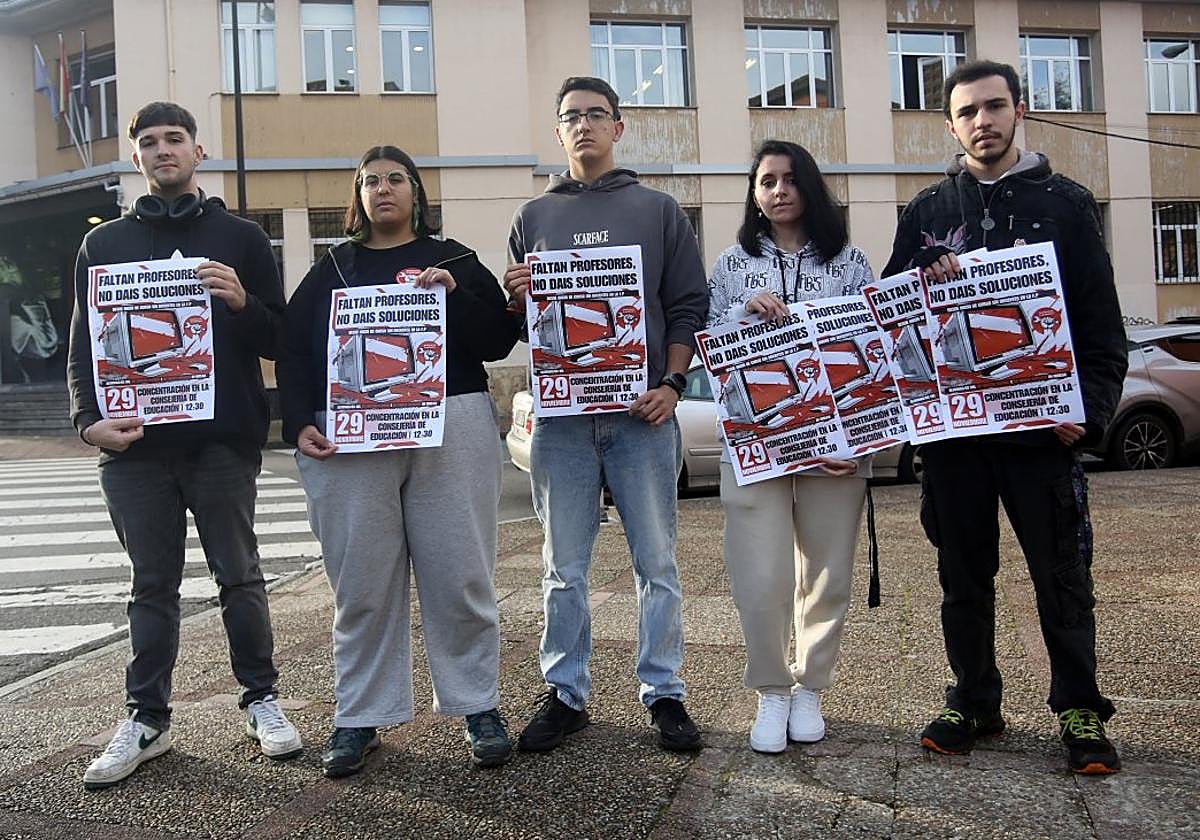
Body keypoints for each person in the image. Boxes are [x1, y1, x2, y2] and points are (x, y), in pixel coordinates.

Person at [882, 60, 1128, 775]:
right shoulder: (927, 211)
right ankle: (973, 699)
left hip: (1040, 434)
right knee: (962, 576)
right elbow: (891, 319)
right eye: (968, 111)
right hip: (956, 439)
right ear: (950, 125)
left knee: (1061, 575)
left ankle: (1080, 706)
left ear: (1019, 110)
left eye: (994, 106)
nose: (982, 121)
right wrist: (918, 281)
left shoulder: (1067, 204)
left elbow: (1100, 327)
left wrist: (1089, 413)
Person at [66, 101, 300, 790]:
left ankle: (260, 699)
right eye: (149, 141)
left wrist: (242, 304)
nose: (162, 149)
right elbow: (81, 346)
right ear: (135, 157)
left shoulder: (242, 238)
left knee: (240, 576)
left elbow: (281, 339)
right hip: (133, 449)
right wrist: (86, 422)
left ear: (199, 151)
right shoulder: (102, 245)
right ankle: (147, 719)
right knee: (151, 586)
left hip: (221, 443)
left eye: (175, 138)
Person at [276, 145, 520, 776]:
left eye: (395, 179)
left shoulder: (455, 259)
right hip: (355, 434)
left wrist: (454, 297)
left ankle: (478, 704)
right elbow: (294, 349)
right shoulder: (334, 266)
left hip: (452, 423)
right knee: (361, 585)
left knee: (461, 576)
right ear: (357, 197)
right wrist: (299, 420)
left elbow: (498, 340)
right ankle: (361, 714)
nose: (382, 189)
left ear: (416, 191)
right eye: (369, 181)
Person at [504, 76, 709, 752]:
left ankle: (665, 691)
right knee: (563, 566)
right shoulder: (533, 217)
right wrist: (516, 298)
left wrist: (673, 383)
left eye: (597, 114)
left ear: (618, 127)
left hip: (641, 417)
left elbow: (687, 305)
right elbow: (529, 326)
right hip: (563, 421)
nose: (584, 125)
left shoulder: (658, 210)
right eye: (572, 116)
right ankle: (565, 694)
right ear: (558, 131)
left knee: (657, 563)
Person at [707, 140, 875, 754]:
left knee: (828, 571)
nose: (779, 190)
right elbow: (709, 345)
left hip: (836, 442)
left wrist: (861, 436)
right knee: (761, 572)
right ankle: (772, 689)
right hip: (755, 443)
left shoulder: (849, 261)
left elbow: (872, 348)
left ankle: (810, 687)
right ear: (754, 194)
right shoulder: (731, 264)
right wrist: (742, 313)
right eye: (766, 181)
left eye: (790, 179)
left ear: (810, 186)